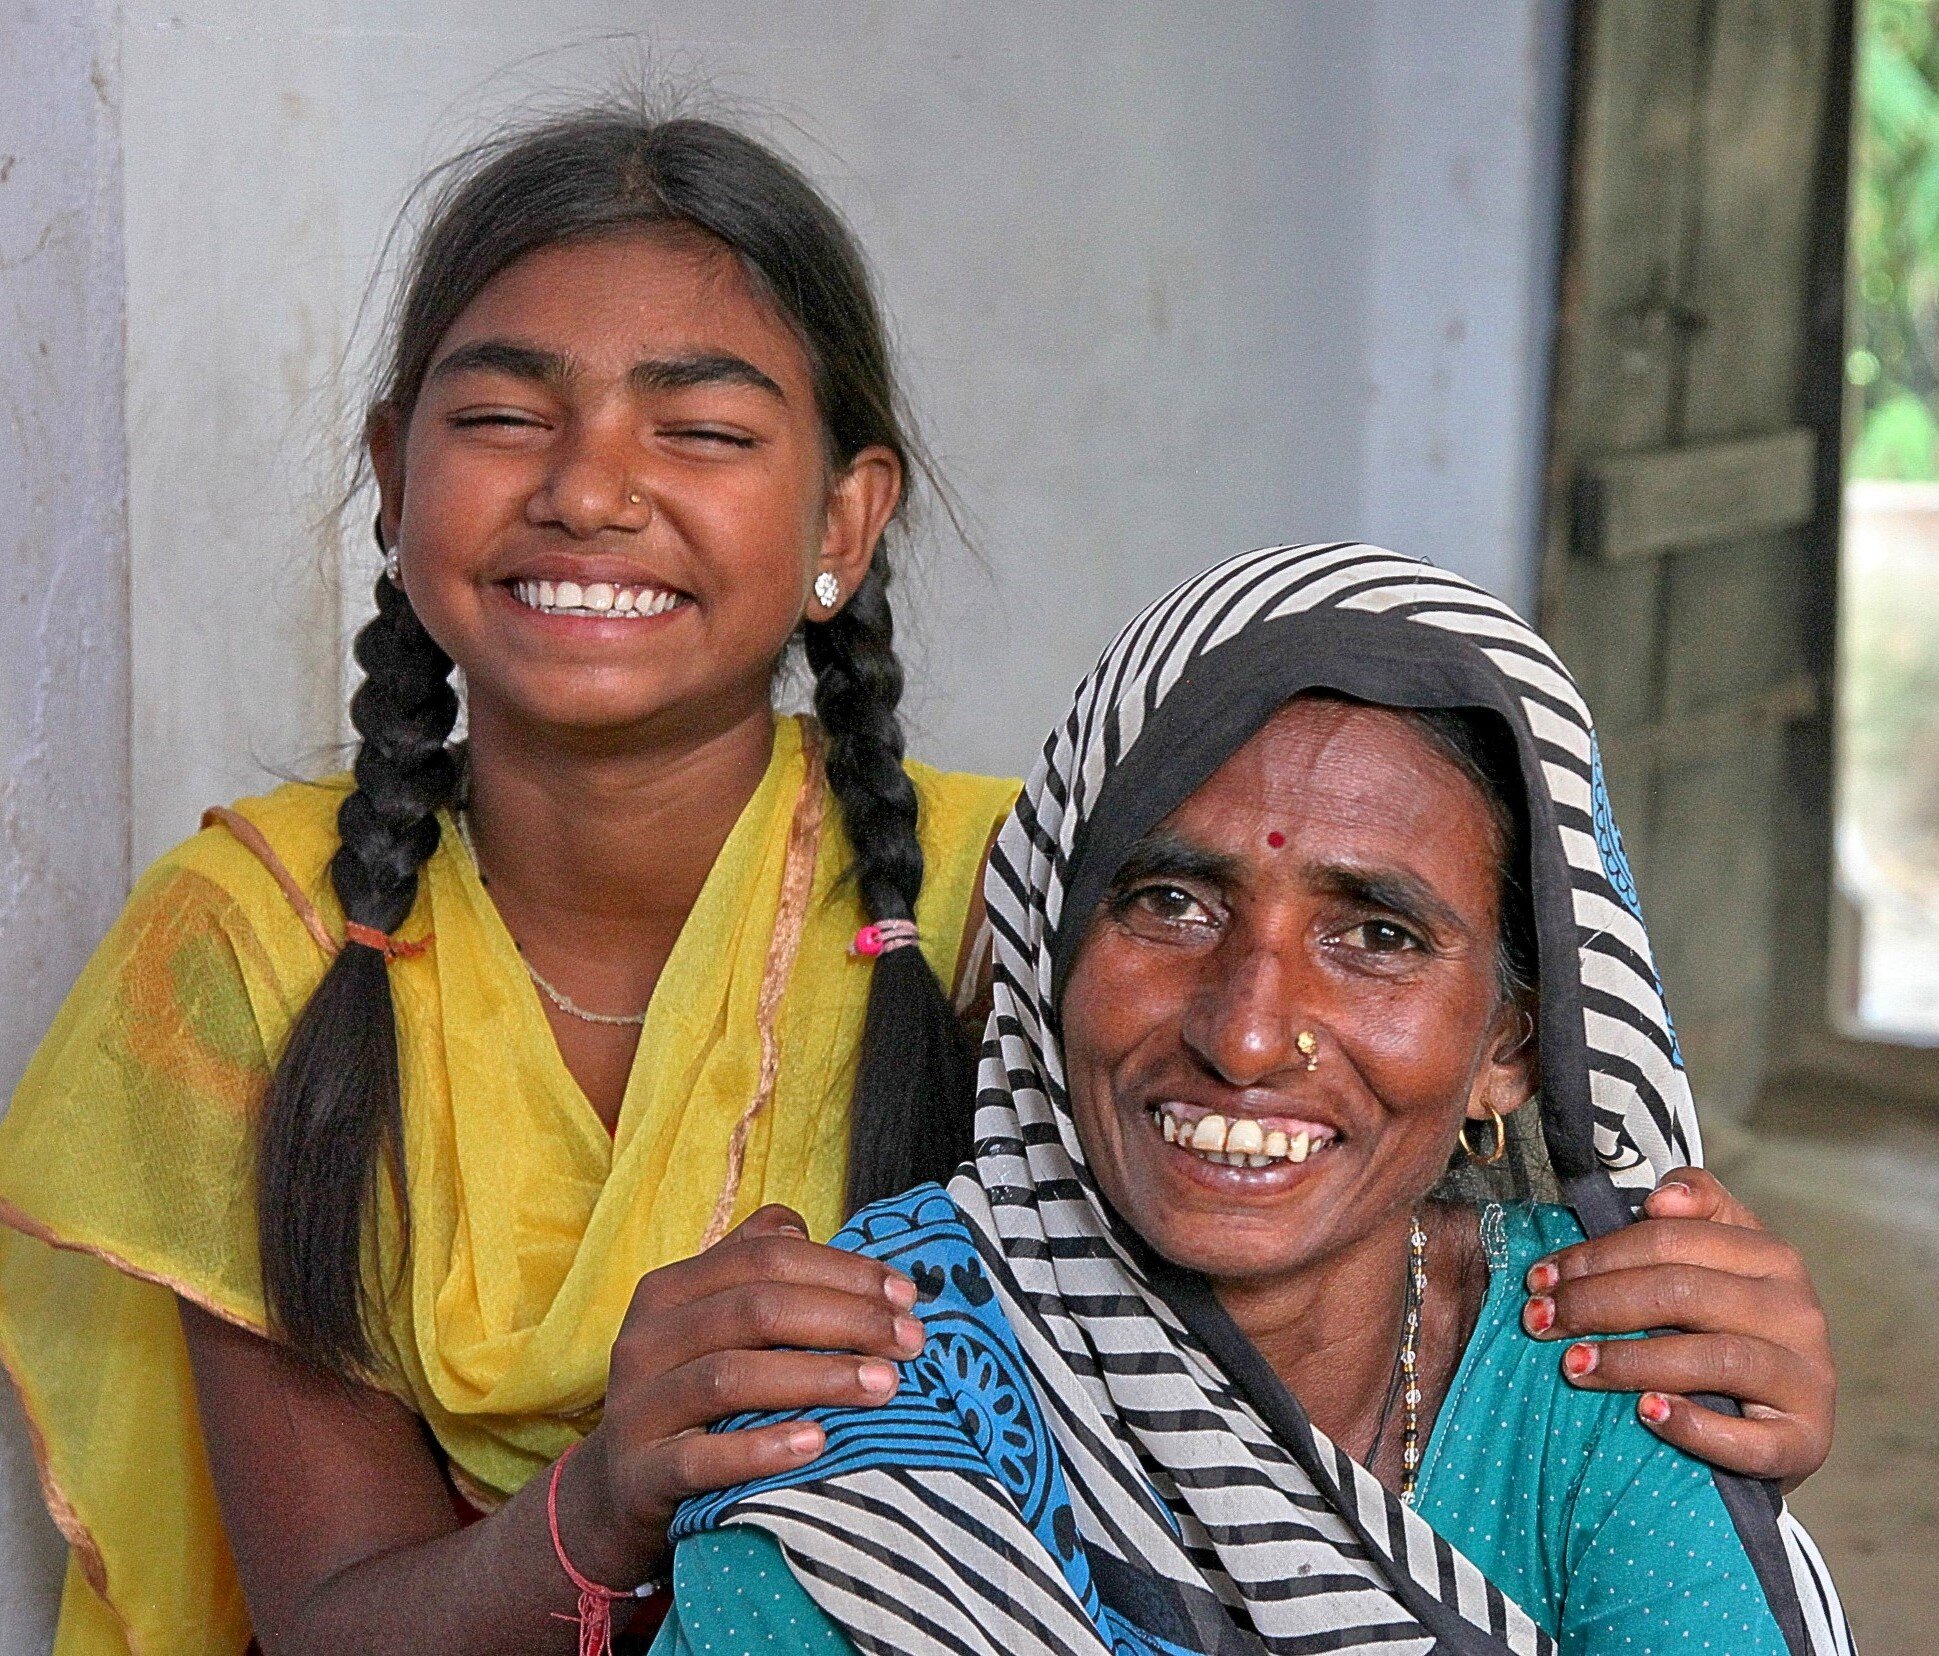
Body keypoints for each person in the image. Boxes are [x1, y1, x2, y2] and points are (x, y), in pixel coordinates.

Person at [0, 109, 1833, 1653]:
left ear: (843, 524)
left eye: (701, 429)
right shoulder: (247, 949)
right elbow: (321, 1615)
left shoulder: (1031, 903)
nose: (592, 491)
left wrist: (1711, 1360)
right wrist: (611, 1490)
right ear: (393, 471)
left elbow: (1272, 1321)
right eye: (505, 417)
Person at [649, 543, 1853, 1656]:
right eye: (1171, 902)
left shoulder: (1600, 1353)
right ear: (1048, 956)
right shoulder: (858, 1403)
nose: (1246, 1030)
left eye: (1377, 934)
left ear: (1508, 1047)